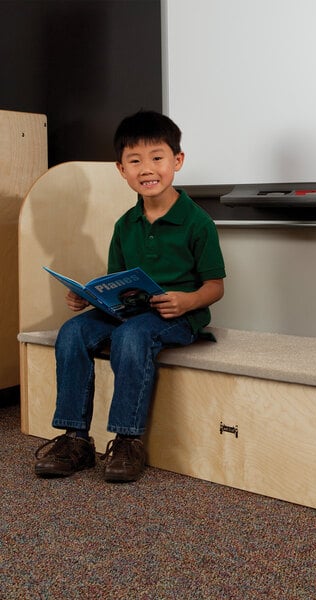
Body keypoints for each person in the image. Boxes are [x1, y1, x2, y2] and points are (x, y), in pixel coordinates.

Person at [34, 110, 226, 483]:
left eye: (157, 157)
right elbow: (115, 283)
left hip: (177, 318)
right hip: (127, 314)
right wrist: (90, 298)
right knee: (73, 331)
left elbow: (215, 287)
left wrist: (187, 302)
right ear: (121, 170)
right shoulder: (125, 225)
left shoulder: (197, 222)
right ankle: (75, 439)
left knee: (131, 335)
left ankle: (127, 440)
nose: (147, 168)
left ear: (177, 161)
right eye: (134, 161)